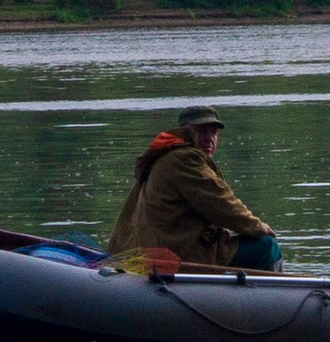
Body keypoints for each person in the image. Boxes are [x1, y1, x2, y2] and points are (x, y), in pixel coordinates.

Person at [108, 104, 282, 271]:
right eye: (202, 131)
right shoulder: (185, 159)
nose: (209, 138)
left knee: (242, 242)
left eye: (213, 132)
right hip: (177, 253)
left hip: (163, 246)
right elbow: (220, 203)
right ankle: (272, 290)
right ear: (185, 132)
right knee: (267, 247)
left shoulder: (165, 156)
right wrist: (257, 227)